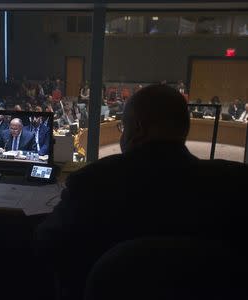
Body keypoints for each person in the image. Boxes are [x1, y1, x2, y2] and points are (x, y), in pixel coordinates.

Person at [36, 84, 248, 300]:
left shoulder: (92, 182)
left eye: (123, 127)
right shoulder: (235, 185)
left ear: (138, 129)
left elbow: (47, 244)